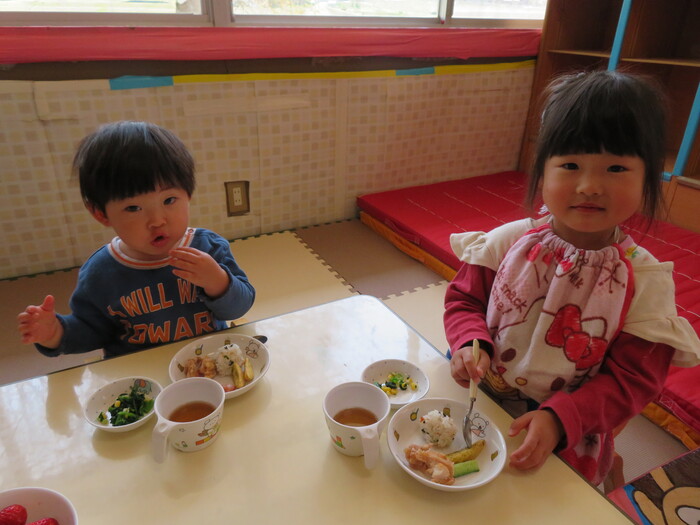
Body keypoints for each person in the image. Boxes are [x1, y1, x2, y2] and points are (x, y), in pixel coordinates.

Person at [444, 70, 700, 486]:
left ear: (648, 178)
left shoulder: (646, 281)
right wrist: (468, 343)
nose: (589, 186)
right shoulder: (508, 241)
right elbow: (464, 301)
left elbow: (631, 383)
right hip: (480, 395)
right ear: (542, 170)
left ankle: (609, 470)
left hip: (567, 429)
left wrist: (561, 419)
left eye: (616, 167)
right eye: (570, 165)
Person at [17, 121, 255, 358]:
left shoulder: (208, 248)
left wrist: (218, 281)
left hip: (208, 363)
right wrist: (55, 333)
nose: (157, 221)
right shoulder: (101, 273)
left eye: (169, 200)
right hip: (141, 375)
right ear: (101, 214)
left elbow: (238, 308)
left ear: (188, 194)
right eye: (133, 208)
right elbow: (91, 332)